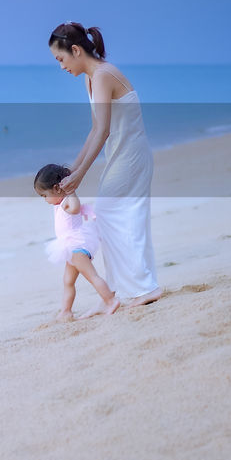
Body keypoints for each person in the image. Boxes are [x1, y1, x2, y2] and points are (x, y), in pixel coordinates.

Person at [48, 22, 161, 306]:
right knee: (116, 217)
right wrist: (71, 171)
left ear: (75, 50)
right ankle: (129, 290)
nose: (60, 67)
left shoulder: (102, 75)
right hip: (121, 154)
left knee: (114, 215)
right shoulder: (91, 78)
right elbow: (95, 129)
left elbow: (104, 131)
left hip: (131, 156)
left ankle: (141, 289)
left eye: (61, 59)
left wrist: (82, 174)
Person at [35, 163, 119, 321]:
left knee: (92, 276)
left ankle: (110, 301)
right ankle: (66, 311)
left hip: (77, 245)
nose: (45, 199)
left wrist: (71, 191)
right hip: (70, 248)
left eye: (44, 195)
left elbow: (75, 208)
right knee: (68, 281)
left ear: (57, 188)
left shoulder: (67, 200)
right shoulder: (59, 203)